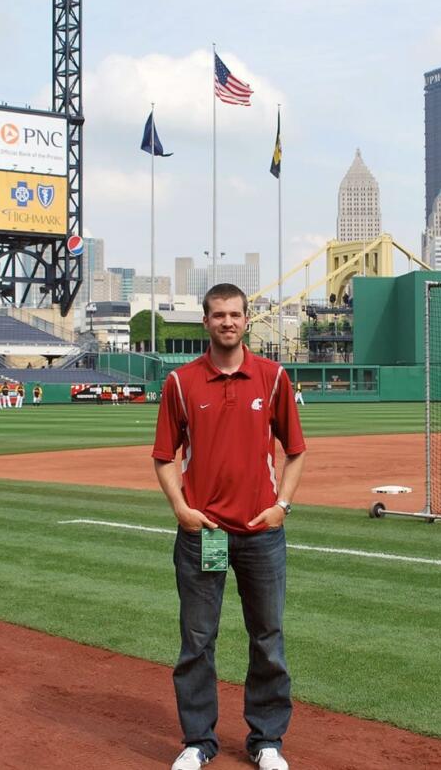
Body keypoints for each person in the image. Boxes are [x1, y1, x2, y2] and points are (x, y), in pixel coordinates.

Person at [153, 283, 305, 770]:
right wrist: (180, 507)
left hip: (261, 532)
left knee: (268, 636)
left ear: (246, 320)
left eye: (235, 314)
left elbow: (296, 451)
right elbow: (163, 458)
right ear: (206, 321)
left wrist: (283, 504)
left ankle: (266, 741)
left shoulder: (273, 377)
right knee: (198, 638)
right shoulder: (180, 383)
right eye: (218, 314)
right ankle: (198, 740)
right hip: (207, 533)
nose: (227, 322)